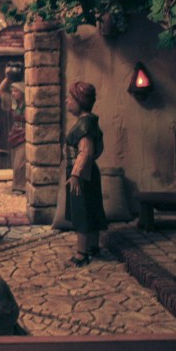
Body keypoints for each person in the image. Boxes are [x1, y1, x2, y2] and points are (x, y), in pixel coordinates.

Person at [64, 81, 107, 267]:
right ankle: (93, 246)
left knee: (82, 211)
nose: (67, 100)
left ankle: (82, 254)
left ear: (79, 101)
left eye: (70, 98)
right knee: (92, 208)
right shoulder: (91, 122)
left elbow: (86, 152)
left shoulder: (84, 126)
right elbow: (98, 149)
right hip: (89, 172)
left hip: (81, 176)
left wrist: (75, 174)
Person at [0, 68, 26, 195]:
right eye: (12, 91)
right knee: (15, 161)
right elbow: (0, 92)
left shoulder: (27, 104)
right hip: (16, 133)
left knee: (21, 161)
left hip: (25, 133)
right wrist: (7, 78)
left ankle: (20, 186)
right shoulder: (14, 104)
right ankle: (18, 185)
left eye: (16, 91)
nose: (13, 93)